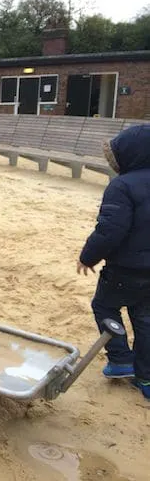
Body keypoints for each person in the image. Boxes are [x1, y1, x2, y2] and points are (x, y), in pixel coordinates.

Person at [77, 124, 150, 401]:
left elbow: (111, 230)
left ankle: (120, 359)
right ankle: (146, 378)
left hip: (125, 268)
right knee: (145, 318)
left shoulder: (122, 185)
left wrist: (88, 256)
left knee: (105, 305)